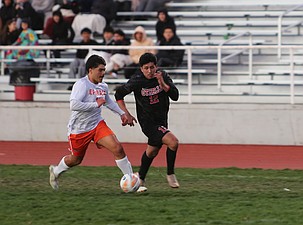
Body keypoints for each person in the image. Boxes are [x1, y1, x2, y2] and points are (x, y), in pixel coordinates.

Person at [49, 54, 134, 190]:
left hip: (97, 124)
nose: (103, 73)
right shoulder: (81, 84)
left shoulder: (103, 86)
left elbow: (108, 102)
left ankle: (131, 181)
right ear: (90, 70)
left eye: (104, 69)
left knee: (117, 148)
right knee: (75, 160)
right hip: (79, 129)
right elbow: (74, 105)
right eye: (100, 70)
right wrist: (95, 104)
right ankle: (56, 171)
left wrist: (122, 114)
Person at [115, 53, 180, 192]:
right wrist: (126, 114)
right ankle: (170, 174)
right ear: (141, 69)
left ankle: (140, 178)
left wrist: (162, 84)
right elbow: (118, 94)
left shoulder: (162, 75)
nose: (150, 71)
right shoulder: (137, 80)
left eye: (152, 67)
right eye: (146, 68)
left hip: (161, 120)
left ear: (156, 67)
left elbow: (175, 96)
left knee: (152, 151)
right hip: (147, 122)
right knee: (173, 142)